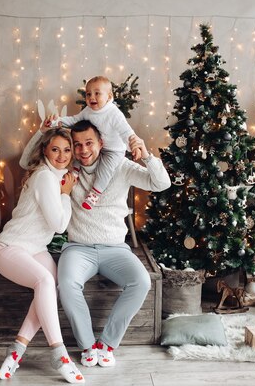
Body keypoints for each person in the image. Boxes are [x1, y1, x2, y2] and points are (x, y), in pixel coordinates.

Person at [20, 119, 171, 369]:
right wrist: (42, 131)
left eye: (89, 143)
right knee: (66, 284)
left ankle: (107, 344)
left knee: (142, 281)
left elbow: (161, 184)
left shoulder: (120, 166)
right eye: (76, 145)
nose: (83, 150)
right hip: (78, 248)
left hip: (115, 249)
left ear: (101, 143)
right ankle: (88, 346)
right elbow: (27, 163)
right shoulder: (68, 168)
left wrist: (146, 156)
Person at [0, 127, 84, 384]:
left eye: (67, 150)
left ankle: (16, 351)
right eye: (55, 149)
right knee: (44, 281)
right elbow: (59, 225)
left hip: (36, 249)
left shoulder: (58, 176)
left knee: (51, 286)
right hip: (10, 248)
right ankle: (60, 354)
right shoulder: (45, 177)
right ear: (44, 151)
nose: (62, 155)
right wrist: (65, 195)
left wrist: (65, 190)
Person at [59, 76, 142, 211]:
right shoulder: (87, 111)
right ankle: (74, 173)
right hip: (98, 147)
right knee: (81, 152)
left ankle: (95, 193)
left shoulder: (114, 113)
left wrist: (135, 146)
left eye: (97, 93)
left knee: (105, 170)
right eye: (88, 94)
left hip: (114, 150)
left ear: (109, 97)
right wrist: (58, 122)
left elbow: (126, 132)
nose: (92, 97)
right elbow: (74, 120)